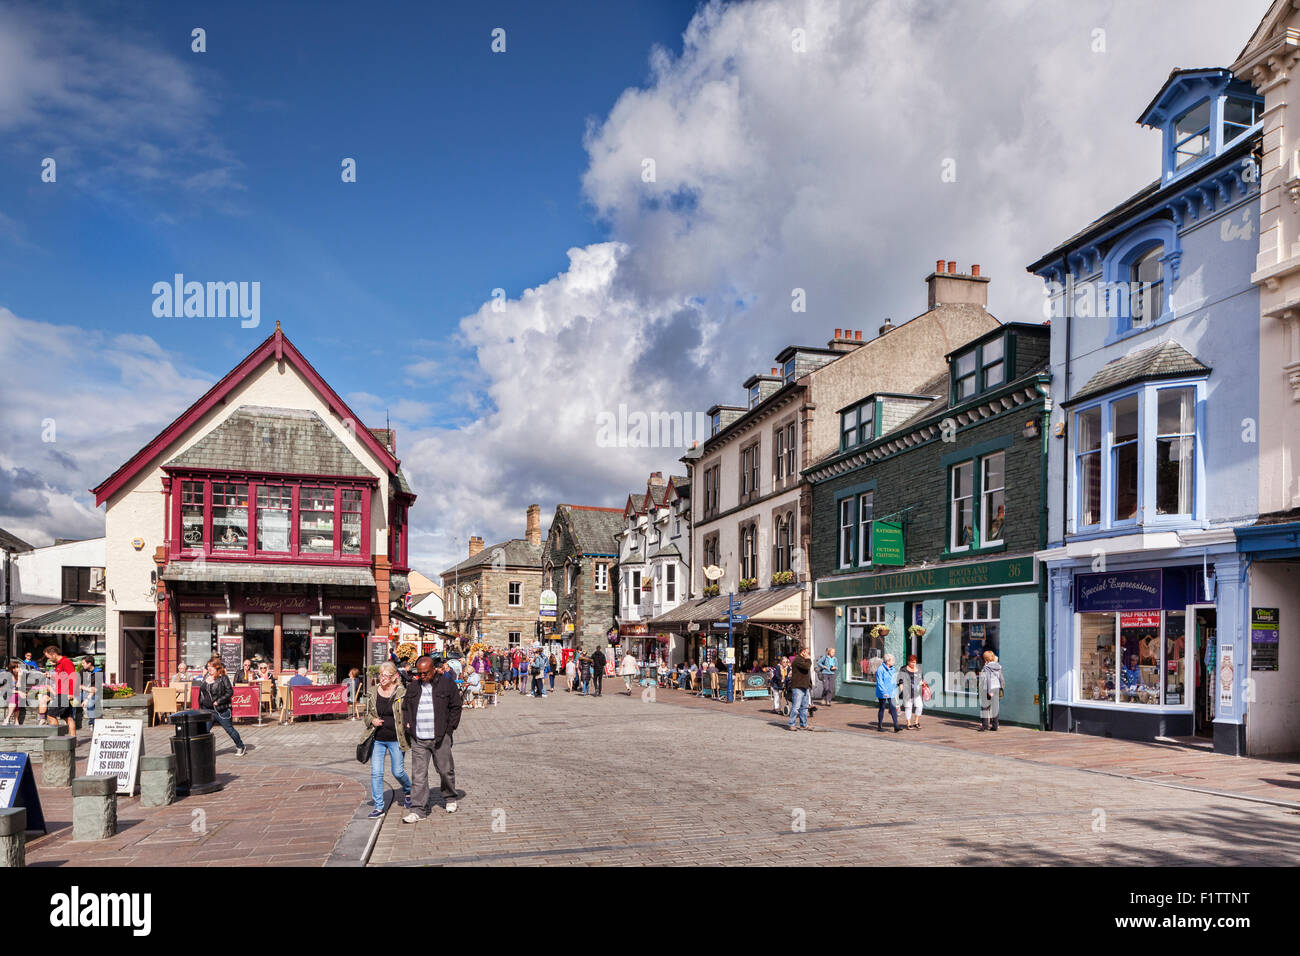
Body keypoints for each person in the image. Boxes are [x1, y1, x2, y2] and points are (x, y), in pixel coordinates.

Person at [401, 655, 462, 822]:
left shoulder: (446, 683)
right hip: (419, 737)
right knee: (418, 775)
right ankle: (418, 809)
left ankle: (450, 797)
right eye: (419, 673)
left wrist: (449, 729)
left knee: (445, 770)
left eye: (425, 673)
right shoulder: (413, 686)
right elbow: (405, 707)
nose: (422, 676)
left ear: (434, 670)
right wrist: (408, 724)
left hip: (440, 736)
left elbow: (456, 706)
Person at [360, 661, 412, 818]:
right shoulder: (372, 692)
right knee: (376, 773)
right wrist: (372, 720)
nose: (382, 678)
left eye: (385, 675)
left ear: (394, 677)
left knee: (397, 771)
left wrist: (410, 723)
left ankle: (408, 789)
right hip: (378, 739)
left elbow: (408, 711)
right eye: (380, 675)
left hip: (397, 738)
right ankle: (379, 807)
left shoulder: (402, 692)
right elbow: (366, 714)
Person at [198, 657, 247, 756]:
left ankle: (240, 746)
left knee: (229, 729)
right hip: (207, 710)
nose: (209, 668)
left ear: (217, 667)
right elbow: (202, 692)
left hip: (221, 710)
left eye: (211, 667)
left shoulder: (222, 678)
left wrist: (219, 701)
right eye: (208, 666)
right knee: (204, 731)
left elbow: (230, 692)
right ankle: (205, 751)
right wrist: (201, 704)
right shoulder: (205, 677)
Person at [43, 646, 78, 739]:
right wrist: (51, 677)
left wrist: (71, 692)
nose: (48, 659)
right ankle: (73, 740)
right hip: (62, 693)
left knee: (50, 715)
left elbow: (72, 677)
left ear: (54, 654)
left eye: (49, 657)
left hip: (64, 694)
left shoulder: (66, 662)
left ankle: (57, 740)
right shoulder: (58, 664)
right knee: (67, 717)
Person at [787, 647, 812, 730]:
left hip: (805, 686)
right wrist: (808, 659)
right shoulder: (797, 660)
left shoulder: (803, 660)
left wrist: (810, 684)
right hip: (798, 686)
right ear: (803, 652)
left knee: (804, 707)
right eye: (807, 653)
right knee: (796, 706)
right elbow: (806, 667)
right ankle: (791, 724)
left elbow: (807, 673)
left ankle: (803, 724)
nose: (809, 655)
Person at [979, 649, 1005, 731]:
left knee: (984, 707)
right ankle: (995, 726)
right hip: (996, 688)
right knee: (995, 707)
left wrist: (989, 691)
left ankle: (985, 726)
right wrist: (1001, 687)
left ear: (985, 659)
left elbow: (988, 680)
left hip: (988, 689)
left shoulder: (987, 667)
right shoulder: (998, 666)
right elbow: (1001, 678)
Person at [874, 653, 901, 733]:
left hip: (891, 691)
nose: (894, 662)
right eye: (892, 660)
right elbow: (880, 682)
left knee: (893, 708)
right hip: (883, 692)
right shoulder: (880, 669)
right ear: (887, 661)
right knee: (882, 707)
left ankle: (896, 726)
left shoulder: (893, 669)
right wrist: (884, 692)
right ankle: (879, 725)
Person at [898, 655, 925, 730]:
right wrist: (901, 691)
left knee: (920, 706)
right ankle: (909, 723)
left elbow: (921, 679)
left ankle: (916, 722)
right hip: (907, 691)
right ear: (908, 662)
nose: (913, 664)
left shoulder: (918, 669)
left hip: (917, 692)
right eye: (912, 662)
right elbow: (900, 680)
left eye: (915, 662)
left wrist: (923, 683)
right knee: (908, 707)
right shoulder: (903, 669)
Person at [76, 656, 100, 730]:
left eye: (83, 663)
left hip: (95, 694)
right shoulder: (82, 671)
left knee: (89, 704)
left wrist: (86, 699)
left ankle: (92, 723)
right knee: (73, 702)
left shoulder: (98, 672)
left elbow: (94, 690)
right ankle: (76, 723)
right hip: (83, 693)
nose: (82, 664)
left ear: (89, 663)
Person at [3, 660, 24, 725]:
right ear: (12, 668)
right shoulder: (8, 676)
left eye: (18, 667)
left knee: (16, 697)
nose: (17, 669)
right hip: (8, 694)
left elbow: (20, 687)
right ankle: (13, 719)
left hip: (17, 695)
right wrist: (18, 692)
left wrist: (20, 677)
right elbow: (7, 689)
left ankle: (8, 719)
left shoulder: (21, 675)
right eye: (15, 667)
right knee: (15, 697)